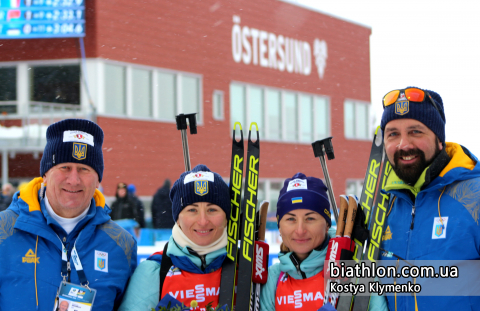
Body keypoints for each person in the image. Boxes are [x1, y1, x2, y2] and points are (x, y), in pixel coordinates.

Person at [0, 119, 137, 310]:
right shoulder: (3, 231)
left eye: (84, 169)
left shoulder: (122, 244)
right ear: (45, 175)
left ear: (97, 180)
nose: (74, 180)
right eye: (64, 167)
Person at [378, 87, 480, 310]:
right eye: (393, 134)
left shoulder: (474, 197)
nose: (404, 144)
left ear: (439, 140)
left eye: (415, 131)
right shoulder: (380, 206)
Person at [260, 173, 387, 311]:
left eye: (310, 219)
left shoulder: (356, 270)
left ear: (327, 225)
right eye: (291, 219)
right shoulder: (272, 279)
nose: (300, 230)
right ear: (279, 226)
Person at [119, 164, 230, 310]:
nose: (203, 221)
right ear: (178, 219)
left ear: (226, 217)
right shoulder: (154, 271)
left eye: (212, 209)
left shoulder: (246, 268)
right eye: (192, 210)